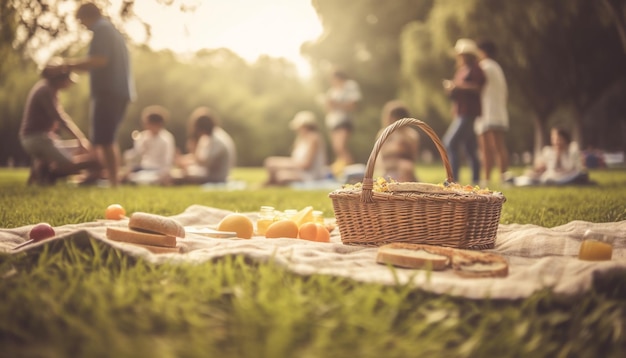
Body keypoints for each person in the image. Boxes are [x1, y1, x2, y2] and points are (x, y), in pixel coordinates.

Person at [61, 2, 135, 187]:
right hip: (116, 91)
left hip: (109, 91)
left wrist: (67, 65)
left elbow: (99, 60)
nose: (82, 25)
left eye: (81, 21)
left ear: (86, 17)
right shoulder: (110, 30)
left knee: (106, 138)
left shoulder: (102, 29)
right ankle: (104, 178)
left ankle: (112, 183)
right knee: (104, 137)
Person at [19, 62, 100, 186]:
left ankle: (42, 168)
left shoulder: (50, 90)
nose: (69, 84)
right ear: (60, 78)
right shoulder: (45, 90)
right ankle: (46, 172)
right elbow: (61, 119)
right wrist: (80, 139)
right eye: (67, 79)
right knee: (74, 163)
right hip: (36, 139)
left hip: (43, 139)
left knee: (79, 150)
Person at [442, 38, 486, 184]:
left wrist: (458, 85)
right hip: (460, 111)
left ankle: (453, 179)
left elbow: (478, 87)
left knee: (450, 142)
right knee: (469, 147)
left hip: (469, 112)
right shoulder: (461, 71)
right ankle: (476, 179)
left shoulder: (476, 69)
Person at [474, 39, 511, 185]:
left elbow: (476, 86)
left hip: (488, 112)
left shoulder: (483, 66)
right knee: (497, 147)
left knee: (489, 148)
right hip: (496, 112)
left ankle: (490, 178)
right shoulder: (497, 67)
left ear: (482, 52)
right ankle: (500, 177)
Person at [264, 111, 328, 186]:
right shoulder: (300, 139)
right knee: (271, 164)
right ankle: (268, 185)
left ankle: (268, 185)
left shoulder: (313, 139)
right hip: (300, 171)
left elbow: (306, 165)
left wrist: (282, 164)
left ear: (304, 126)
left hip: (311, 175)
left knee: (280, 175)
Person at [509, 127, 590, 186]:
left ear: (565, 139)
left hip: (567, 176)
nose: (556, 142)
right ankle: (514, 180)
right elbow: (541, 167)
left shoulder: (572, 149)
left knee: (580, 175)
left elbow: (575, 168)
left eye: (558, 139)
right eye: (553, 139)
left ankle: (515, 180)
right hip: (551, 176)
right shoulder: (548, 151)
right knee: (536, 177)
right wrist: (538, 169)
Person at [172, 107, 231, 184]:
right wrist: (182, 160)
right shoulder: (210, 137)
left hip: (216, 177)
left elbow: (205, 163)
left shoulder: (218, 140)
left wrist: (192, 152)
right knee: (176, 174)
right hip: (209, 173)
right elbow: (201, 159)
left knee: (175, 177)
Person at [121, 105, 176, 185]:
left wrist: (165, 173)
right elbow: (135, 156)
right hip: (144, 167)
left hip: (158, 169)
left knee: (142, 178)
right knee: (128, 174)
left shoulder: (167, 138)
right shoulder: (143, 136)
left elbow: (168, 160)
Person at [322, 69, 362, 175]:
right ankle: (342, 173)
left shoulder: (350, 85)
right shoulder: (332, 91)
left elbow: (353, 104)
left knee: (340, 147)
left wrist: (336, 104)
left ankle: (353, 173)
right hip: (333, 123)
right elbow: (329, 109)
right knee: (337, 149)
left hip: (344, 121)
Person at [375, 100, 419, 182]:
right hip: (388, 169)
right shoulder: (384, 134)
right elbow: (379, 158)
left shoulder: (411, 135)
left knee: (406, 168)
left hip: (406, 170)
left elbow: (413, 157)